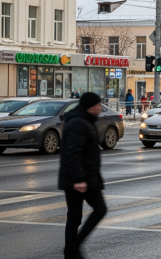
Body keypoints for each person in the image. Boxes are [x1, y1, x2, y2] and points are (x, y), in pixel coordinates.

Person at [59, 92, 107, 259]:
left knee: (75, 217)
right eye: (99, 105)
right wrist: (79, 179)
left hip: (84, 177)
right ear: (91, 107)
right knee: (96, 210)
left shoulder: (84, 120)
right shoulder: (79, 123)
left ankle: (71, 251)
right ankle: (73, 248)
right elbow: (72, 153)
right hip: (79, 179)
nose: (101, 108)